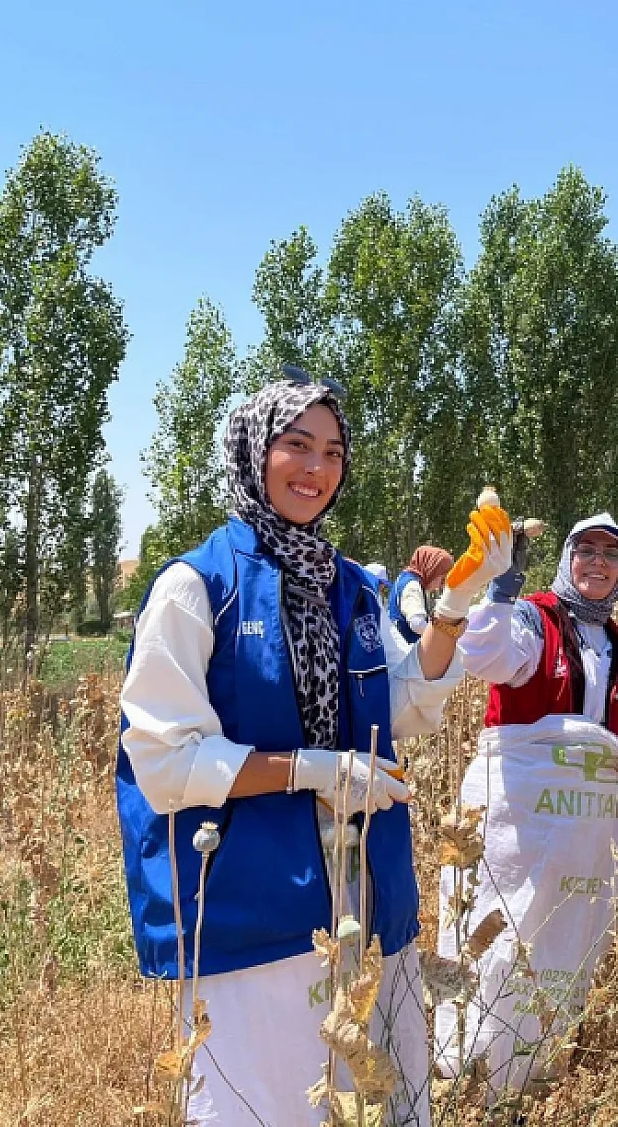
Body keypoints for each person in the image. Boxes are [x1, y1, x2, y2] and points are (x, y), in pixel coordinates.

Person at [116, 373, 515, 1127]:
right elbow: (164, 763)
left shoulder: (353, 588)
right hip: (255, 912)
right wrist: (309, 771)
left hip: (365, 900)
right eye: (296, 445)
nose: (317, 468)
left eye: (333, 452)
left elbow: (405, 701)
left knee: (384, 1100)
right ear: (251, 453)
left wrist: (455, 606)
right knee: (271, 1107)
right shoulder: (196, 588)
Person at [433, 513, 618, 1101]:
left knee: (564, 946)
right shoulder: (534, 619)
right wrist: (500, 591)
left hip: (587, 830)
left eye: (611, 555)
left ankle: (535, 1075)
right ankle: (469, 1074)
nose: (599, 563)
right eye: (588, 551)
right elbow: (487, 659)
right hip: (517, 821)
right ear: (568, 559)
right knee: (499, 934)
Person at [388, 545, 454, 643]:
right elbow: (417, 623)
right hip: (407, 652)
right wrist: (441, 639)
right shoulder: (412, 585)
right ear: (432, 570)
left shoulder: (405, 578)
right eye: (442, 579)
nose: (441, 586)